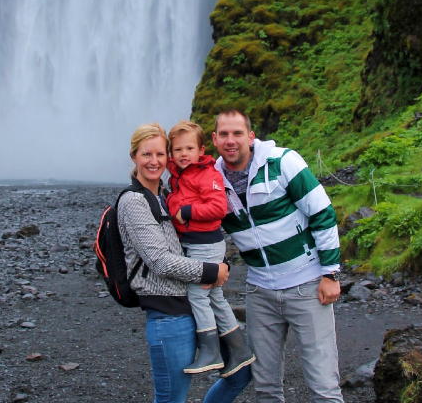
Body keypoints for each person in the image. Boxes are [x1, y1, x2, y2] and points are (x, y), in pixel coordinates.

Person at [212, 110, 344, 403]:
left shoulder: (284, 162)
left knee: (323, 387)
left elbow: (323, 213)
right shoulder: (213, 181)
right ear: (214, 139)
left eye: (237, 134)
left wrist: (330, 273)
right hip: (259, 293)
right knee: (266, 388)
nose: (230, 141)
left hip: (308, 286)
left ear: (250, 136)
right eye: (223, 134)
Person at [117, 122, 252, 403]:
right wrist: (212, 271)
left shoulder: (167, 194)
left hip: (194, 303)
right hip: (169, 314)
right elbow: (161, 262)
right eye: (146, 155)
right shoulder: (134, 202)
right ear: (134, 157)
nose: (154, 162)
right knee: (171, 399)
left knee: (241, 375)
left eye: (159, 155)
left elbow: (194, 237)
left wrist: (219, 258)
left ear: (168, 158)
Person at [166, 120, 256, 376]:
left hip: (205, 244)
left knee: (197, 296)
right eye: (178, 150)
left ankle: (210, 351)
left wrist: (186, 211)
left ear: (202, 149)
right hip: (197, 243)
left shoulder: (206, 174)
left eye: (189, 149)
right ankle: (239, 350)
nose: (184, 154)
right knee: (214, 297)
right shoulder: (177, 177)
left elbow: (219, 208)